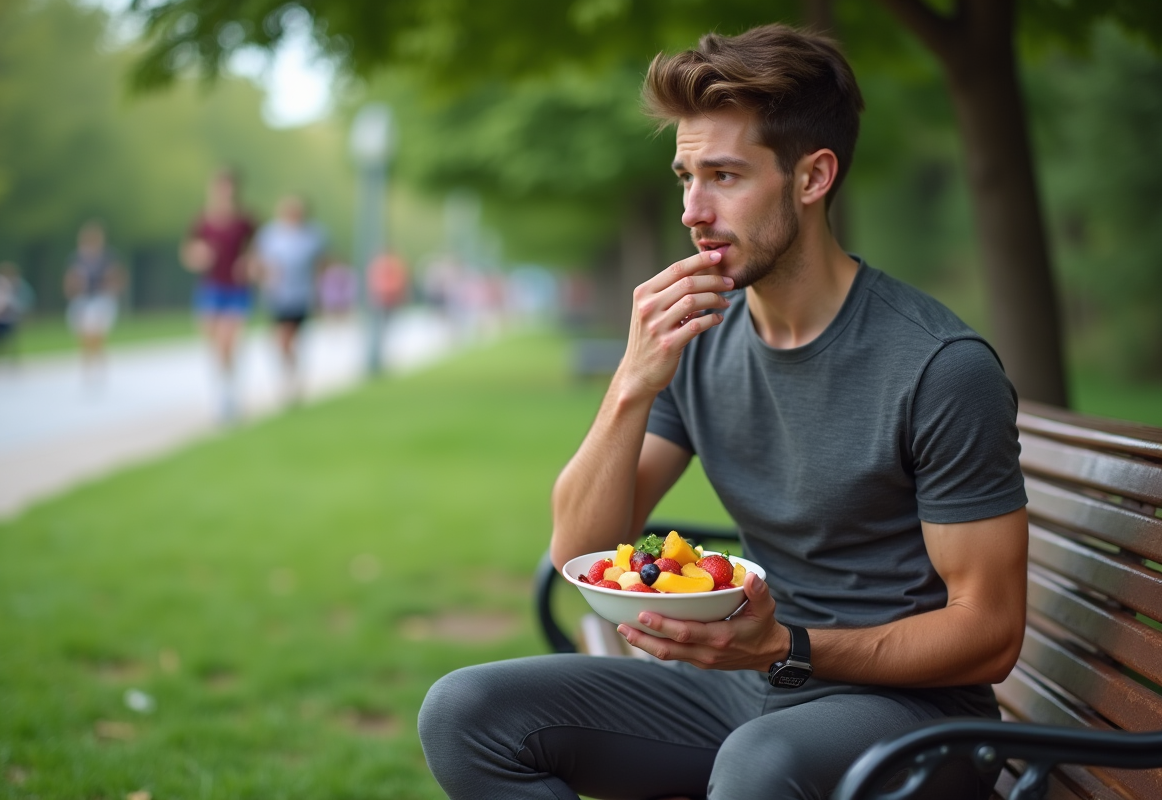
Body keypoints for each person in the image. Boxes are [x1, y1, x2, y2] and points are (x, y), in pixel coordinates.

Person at [418, 24, 1029, 800]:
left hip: (913, 717)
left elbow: (990, 633)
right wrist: (630, 385)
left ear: (812, 178)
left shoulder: (940, 367)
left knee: (758, 764)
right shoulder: (704, 341)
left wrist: (788, 645)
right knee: (466, 713)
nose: (693, 210)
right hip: (758, 680)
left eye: (725, 177)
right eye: (684, 176)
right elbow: (579, 549)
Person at [181, 168, 255, 421]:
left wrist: (250, 263)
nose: (224, 192)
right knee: (215, 345)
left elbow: (259, 251)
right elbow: (188, 252)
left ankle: (228, 396)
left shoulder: (246, 221)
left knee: (227, 341)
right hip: (210, 288)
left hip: (236, 288)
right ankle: (223, 388)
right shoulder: (201, 220)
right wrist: (197, 256)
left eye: (228, 187)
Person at [254, 195, 328, 404]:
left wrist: (321, 295)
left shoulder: (313, 235)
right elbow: (259, 260)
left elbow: (321, 265)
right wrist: (263, 275)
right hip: (276, 295)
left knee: (293, 338)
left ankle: (293, 377)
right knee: (281, 339)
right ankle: (289, 375)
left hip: (302, 294)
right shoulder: (270, 234)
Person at [64, 221, 125, 384]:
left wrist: (110, 289)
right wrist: (73, 290)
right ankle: (88, 367)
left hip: (101, 298)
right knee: (84, 336)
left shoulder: (108, 257)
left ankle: (97, 366)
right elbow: (69, 281)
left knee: (97, 334)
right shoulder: (76, 258)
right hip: (82, 299)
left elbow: (117, 278)